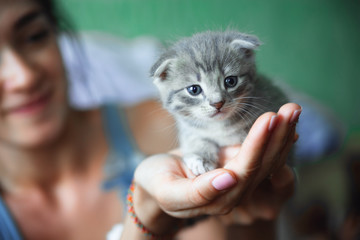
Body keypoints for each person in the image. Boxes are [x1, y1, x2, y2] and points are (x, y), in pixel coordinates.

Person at [0, 0, 299, 239]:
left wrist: (253, 215)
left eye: (34, 36)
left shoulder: (155, 128)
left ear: (58, 36)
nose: (23, 77)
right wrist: (143, 217)